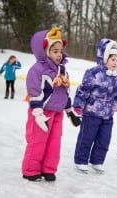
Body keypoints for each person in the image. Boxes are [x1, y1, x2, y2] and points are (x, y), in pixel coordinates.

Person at [22, 27, 80, 182]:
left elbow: (64, 92)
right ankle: (31, 170)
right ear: (44, 51)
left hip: (58, 113)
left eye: (60, 50)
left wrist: (70, 112)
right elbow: (34, 92)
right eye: (54, 51)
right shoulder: (38, 70)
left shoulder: (62, 70)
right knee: (38, 141)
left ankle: (48, 169)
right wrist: (38, 114)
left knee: (54, 143)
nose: (59, 54)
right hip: (42, 113)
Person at [73, 38, 117, 173]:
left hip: (108, 114)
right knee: (87, 137)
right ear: (104, 58)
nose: (115, 63)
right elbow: (84, 89)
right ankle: (81, 160)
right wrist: (78, 105)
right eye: (112, 59)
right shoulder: (93, 73)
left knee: (104, 139)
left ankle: (97, 161)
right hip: (92, 112)